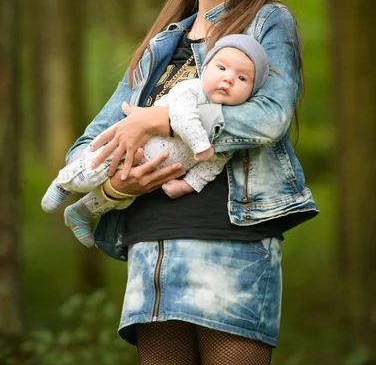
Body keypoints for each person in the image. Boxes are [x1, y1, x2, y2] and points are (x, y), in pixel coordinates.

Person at [64, 0, 319, 365]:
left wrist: (156, 120)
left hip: (230, 246)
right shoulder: (161, 46)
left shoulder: (268, 22)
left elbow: (270, 115)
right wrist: (117, 188)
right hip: (150, 252)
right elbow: (88, 145)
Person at [41, 35, 269, 248]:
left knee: (122, 199)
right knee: (96, 169)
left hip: (154, 171)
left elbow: (215, 162)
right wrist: (201, 145)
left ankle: (80, 213)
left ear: (251, 91)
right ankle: (63, 183)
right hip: (132, 145)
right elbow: (181, 117)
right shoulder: (191, 89)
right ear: (206, 67)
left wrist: (188, 185)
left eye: (242, 78)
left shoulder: (232, 125)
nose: (228, 78)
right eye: (221, 68)